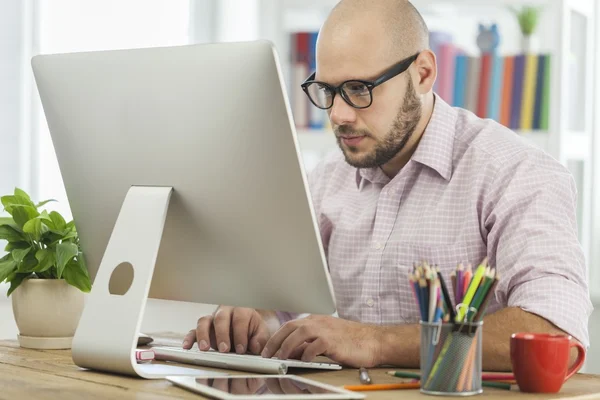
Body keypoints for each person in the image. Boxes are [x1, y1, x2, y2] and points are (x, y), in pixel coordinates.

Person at [183, 0, 592, 371]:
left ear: (423, 73)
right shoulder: (326, 179)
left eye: (359, 89)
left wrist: (377, 342)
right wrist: (255, 317)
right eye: (326, 90)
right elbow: (282, 303)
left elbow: (557, 332)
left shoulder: (516, 173)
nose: (339, 114)